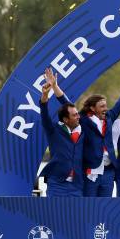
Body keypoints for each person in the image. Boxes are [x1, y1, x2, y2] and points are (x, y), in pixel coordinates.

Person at [79, 70, 120, 197]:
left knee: (106, 207)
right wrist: (55, 87)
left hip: (108, 172)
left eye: (105, 106)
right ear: (93, 108)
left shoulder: (109, 117)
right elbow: (67, 106)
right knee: (89, 208)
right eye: (102, 106)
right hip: (91, 171)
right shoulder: (84, 121)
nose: (105, 108)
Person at [39, 68, 84, 197]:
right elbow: (44, 114)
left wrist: (55, 86)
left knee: (76, 217)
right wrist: (45, 95)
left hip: (77, 185)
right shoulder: (53, 130)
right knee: (55, 216)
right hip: (57, 184)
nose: (78, 116)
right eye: (74, 115)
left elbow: (67, 103)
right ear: (65, 119)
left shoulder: (83, 130)